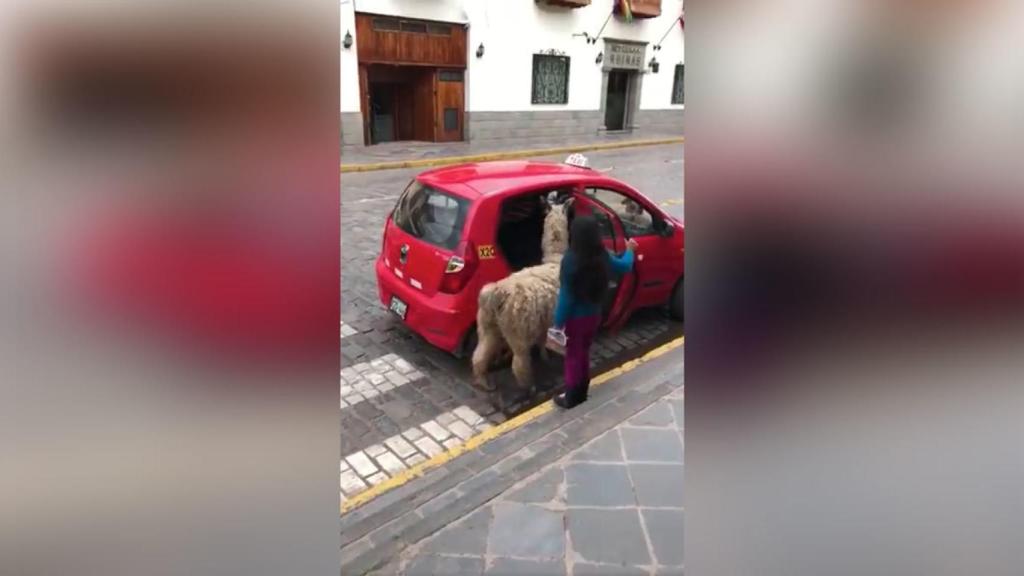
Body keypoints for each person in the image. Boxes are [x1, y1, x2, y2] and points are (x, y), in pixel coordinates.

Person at [551, 215, 637, 409]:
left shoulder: (570, 260)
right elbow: (625, 266)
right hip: (594, 314)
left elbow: (566, 296)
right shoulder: (602, 255)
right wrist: (630, 250)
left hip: (575, 319)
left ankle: (572, 396)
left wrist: (557, 324)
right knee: (584, 351)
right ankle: (582, 388)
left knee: (573, 355)